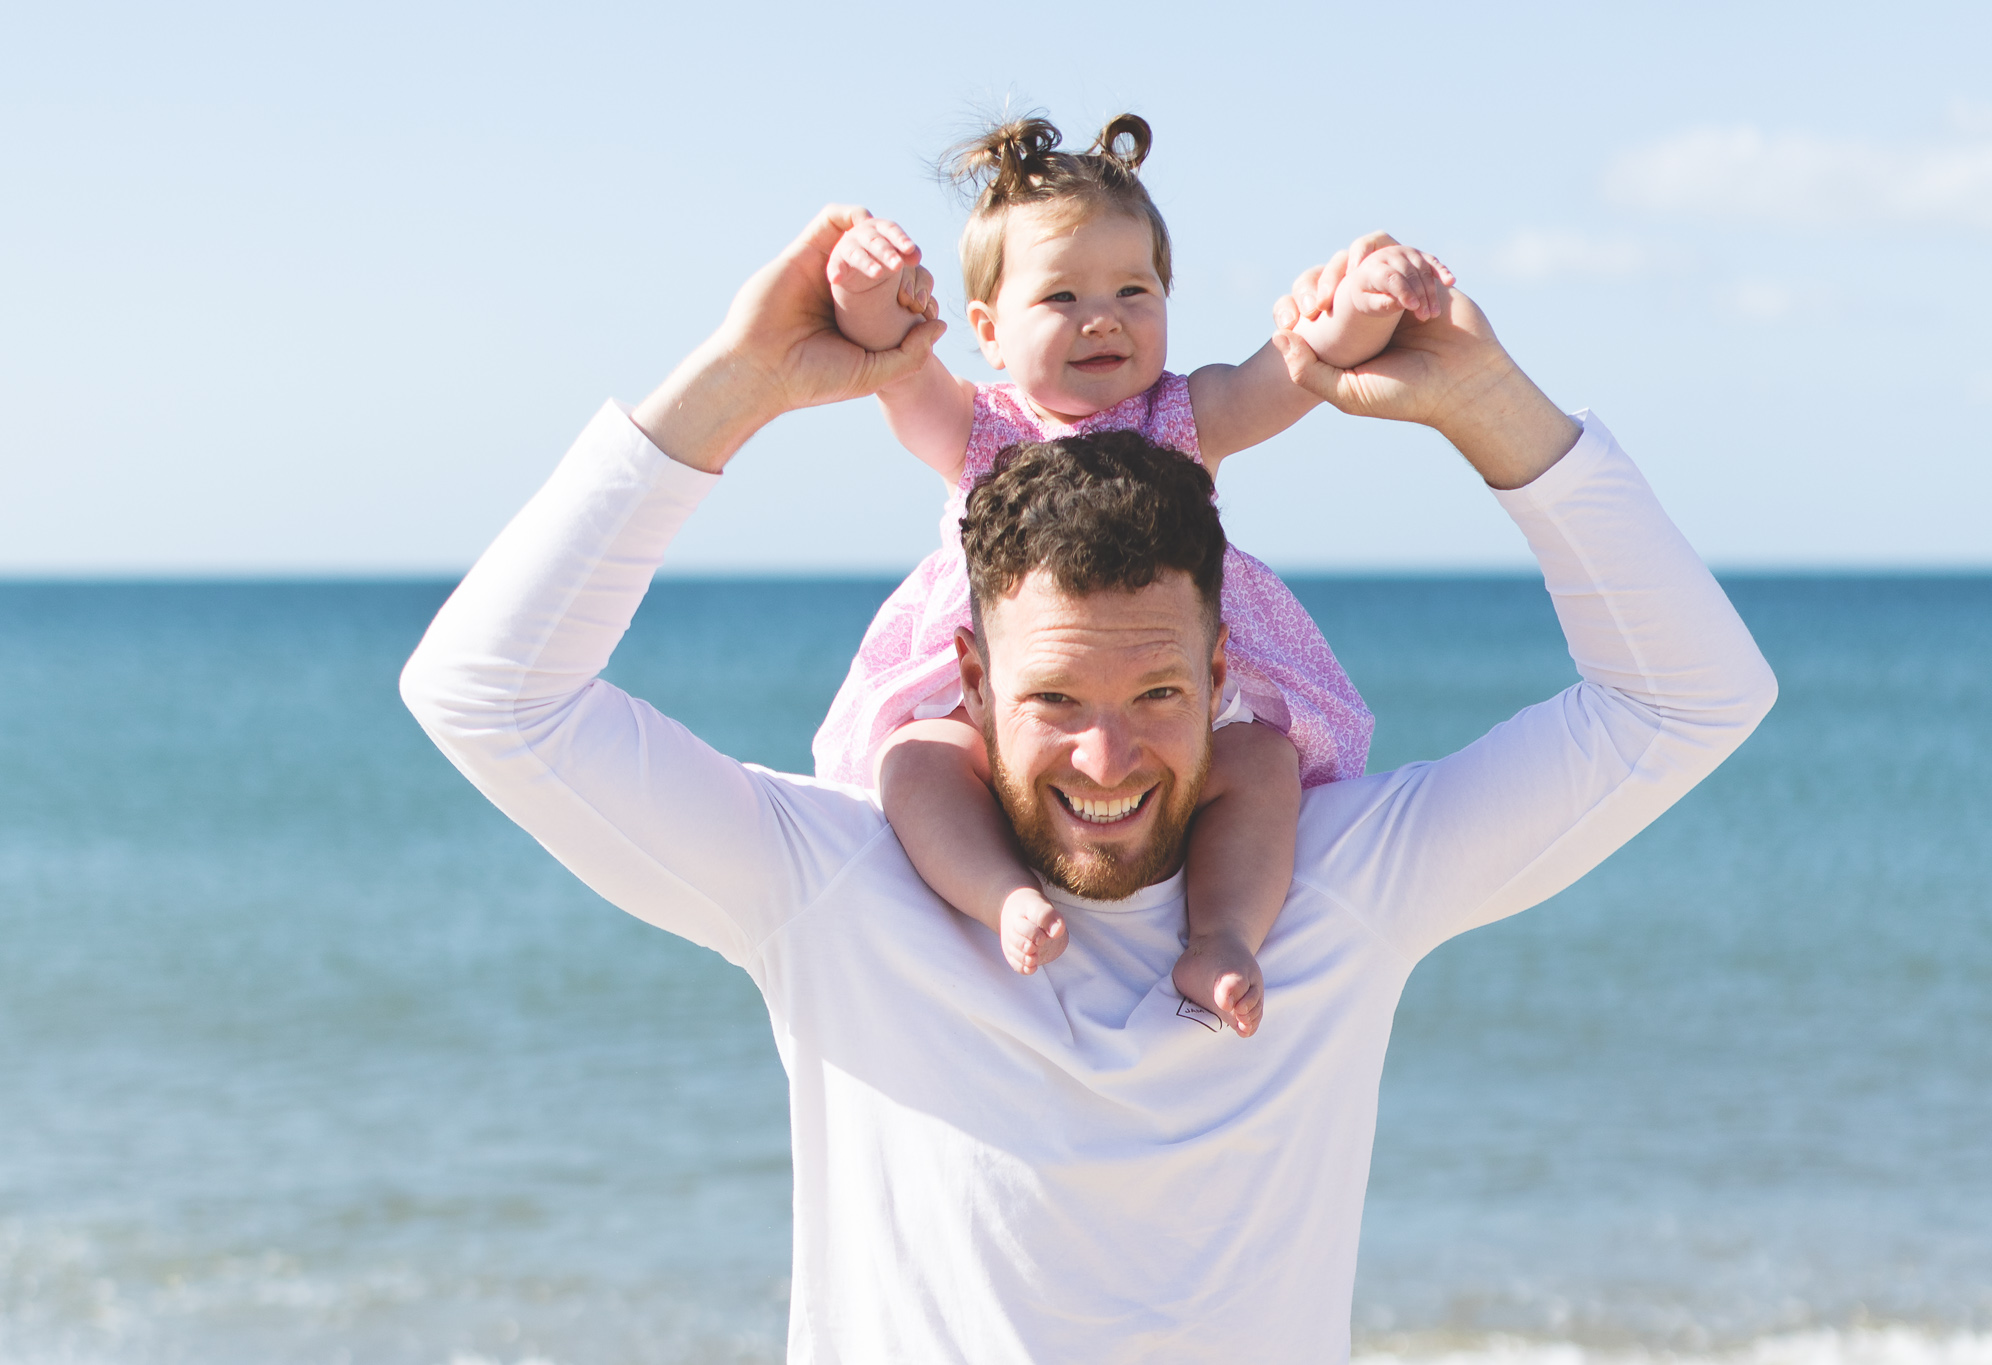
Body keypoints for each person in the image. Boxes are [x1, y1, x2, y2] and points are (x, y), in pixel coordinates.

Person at [399, 205, 1776, 1365]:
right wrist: (736, 381)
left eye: (1159, 697)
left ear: (1229, 665)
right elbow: (485, 695)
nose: (1108, 761)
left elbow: (1691, 699)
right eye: (1055, 700)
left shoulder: (1335, 880)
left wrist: (1488, 408)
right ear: (969, 679)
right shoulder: (835, 888)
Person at [816, 114, 1457, 1036]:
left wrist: (1362, 305)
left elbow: (1293, 371)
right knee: (920, 759)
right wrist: (866, 289)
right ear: (989, 330)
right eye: (1063, 298)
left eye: (1133, 288)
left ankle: (1225, 933)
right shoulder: (977, 425)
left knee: (1258, 762)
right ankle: (1000, 896)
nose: (1103, 316)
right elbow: (893, 366)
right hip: (1014, 679)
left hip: (1166, 667)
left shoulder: (1185, 413)